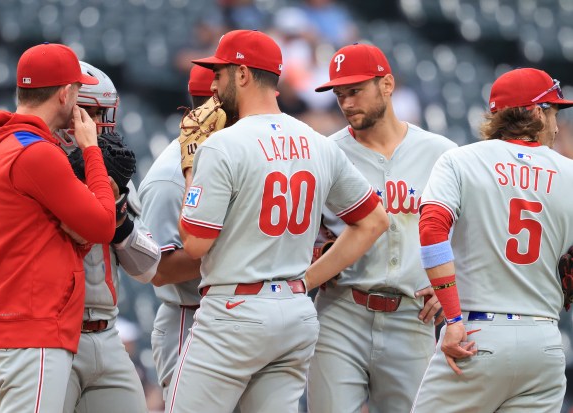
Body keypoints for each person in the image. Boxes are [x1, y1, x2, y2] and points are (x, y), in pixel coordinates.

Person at [166, 29, 389, 413]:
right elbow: (373, 221)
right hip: (294, 312)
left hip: (235, 310)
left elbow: (194, 243)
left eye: (219, 73)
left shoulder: (222, 144)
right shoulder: (318, 142)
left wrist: (191, 161)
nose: (214, 85)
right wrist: (307, 281)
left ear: (242, 74)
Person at [0, 61, 160, 413]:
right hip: (47, 336)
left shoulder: (113, 177)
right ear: (69, 104)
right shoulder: (21, 167)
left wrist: (120, 219)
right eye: (92, 112)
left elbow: (147, 268)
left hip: (103, 333)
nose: (99, 125)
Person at [411, 67, 573, 412]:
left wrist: (452, 313)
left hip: (477, 334)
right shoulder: (570, 174)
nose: (557, 125)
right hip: (544, 344)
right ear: (533, 112)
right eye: (553, 112)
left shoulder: (461, 160)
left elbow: (431, 229)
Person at [307, 43, 455, 413]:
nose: (346, 102)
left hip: (412, 317)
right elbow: (299, 232)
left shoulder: (441, 153)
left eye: (355, 90)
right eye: (340, 94)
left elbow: (479, 231)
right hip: (341, 312)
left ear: (387, 85)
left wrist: (458, 284)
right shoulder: (327, 153)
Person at [138, 64, 215, 403]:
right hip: (190, 318)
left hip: (244, 314)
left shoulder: (239, 157)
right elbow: (161, 269)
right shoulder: (169, 176)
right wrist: (245, 252)